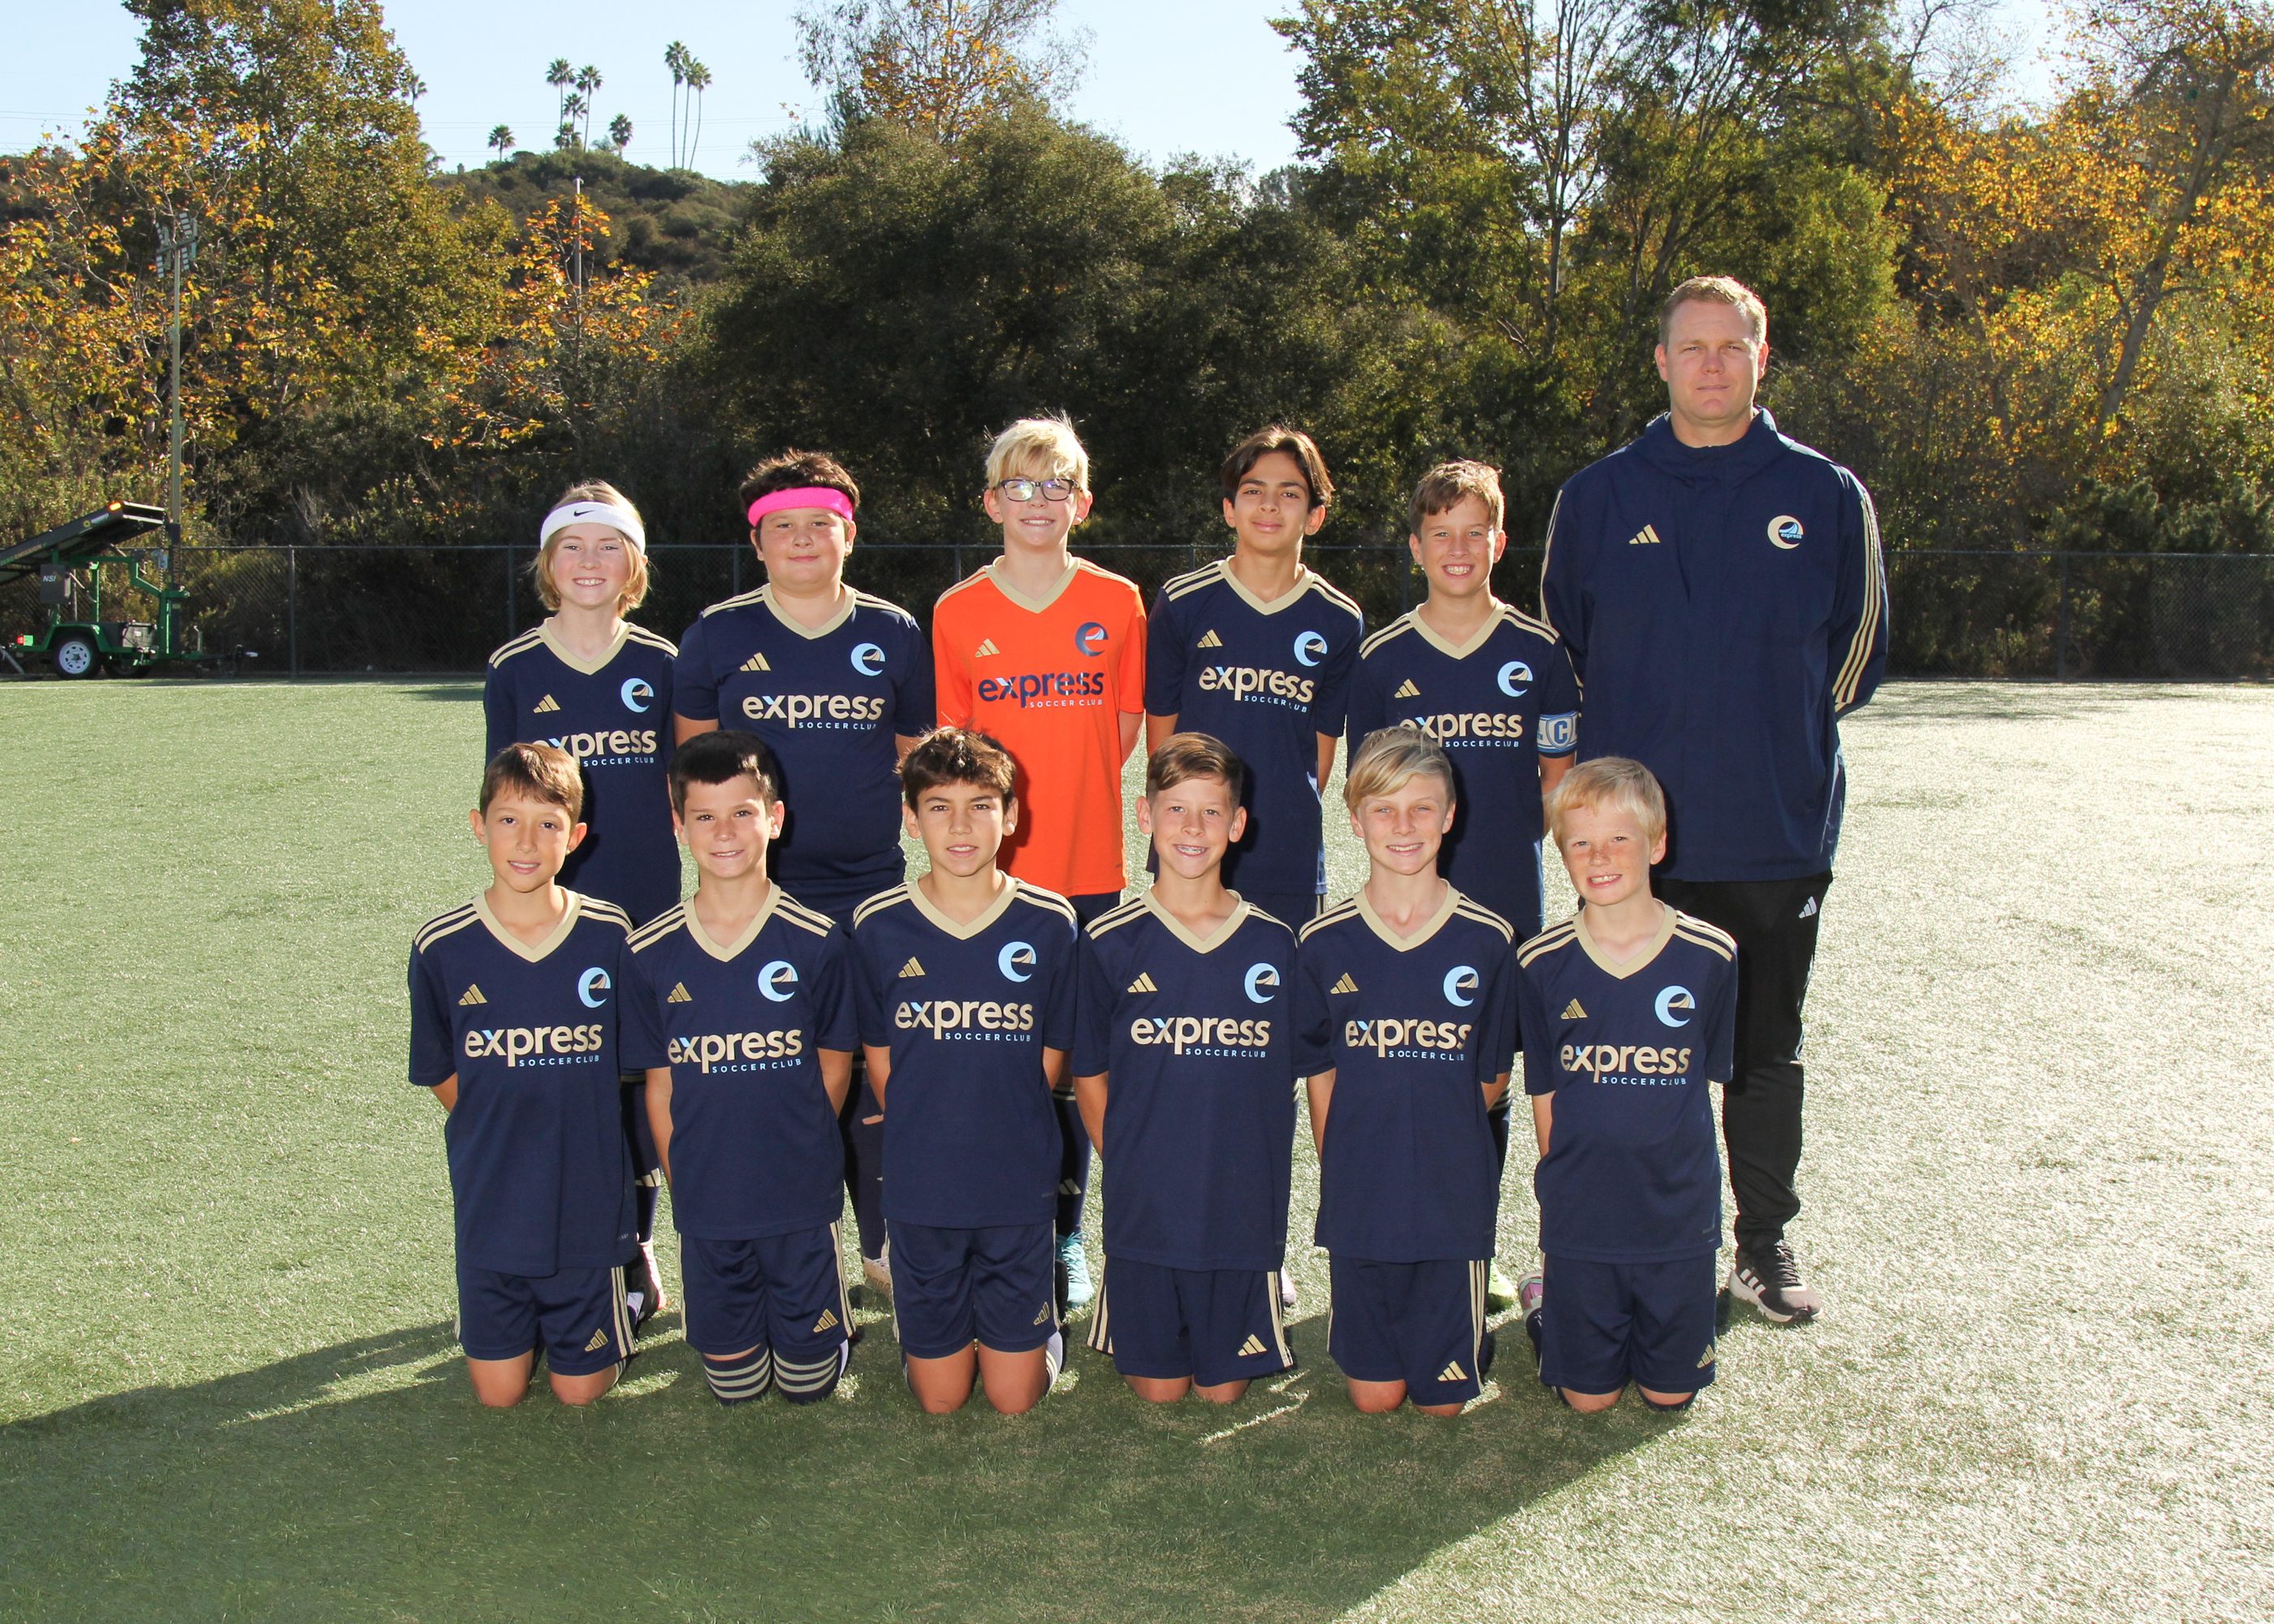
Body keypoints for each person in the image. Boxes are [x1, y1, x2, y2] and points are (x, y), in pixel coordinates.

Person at [1541, 274, 1888, 1323]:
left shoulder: (1826, 494)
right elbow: (1568, 649)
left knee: (1764, 1049)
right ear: (1660, 361)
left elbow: (1855, 657)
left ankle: (1761, 1243)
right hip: (1628, 845)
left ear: (1760, 358)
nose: (1710, 364)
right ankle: (1600, 1240)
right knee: (1613, 1052)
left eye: (1730, 346)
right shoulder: (1598, 496)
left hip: (1773, 832)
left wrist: (1767, 736)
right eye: (1691, 347)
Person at [672, 451, 934, 1302]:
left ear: (848, 534)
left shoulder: (893, 631)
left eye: (820, 523)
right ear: (757, 543)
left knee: (875, 1062)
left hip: (869, 889)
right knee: (778, 1068)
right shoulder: (717, 633)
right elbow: (695, 771)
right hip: (758, 898)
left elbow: (914, 761)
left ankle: (883, 1238)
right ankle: (792, 1231)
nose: (802, 539)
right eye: (781, 525)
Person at [1346, 459, 1580, 1312]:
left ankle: (1472, 1246)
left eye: (1473, 532)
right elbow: (1369, 789)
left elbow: (1559, 782)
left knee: (1491, 1076)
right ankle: (1408, 1241)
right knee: (1416, 1069)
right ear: (1414, 547)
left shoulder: (1539, 651)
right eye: (1439, 533)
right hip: (1406, 911)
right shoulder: (1382, 658)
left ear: (1500, 541)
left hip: (1506, 906)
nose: (1457, 547)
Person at [931, 416, 1145, 1312]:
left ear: (1081, 503)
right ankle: (1000, 1223)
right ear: (991, 502)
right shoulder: (956, 612)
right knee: (1003, 1061)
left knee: (1083, 1063)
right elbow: (952, 756)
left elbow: (1123, 729)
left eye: (1055, 485)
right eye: (1018, 485)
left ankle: (1068, 1233)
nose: (1036, 501)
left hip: (1089, 871)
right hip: (993, 882)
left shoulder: (1118, 602)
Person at [485, 481, 679, 1324]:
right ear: (547, 563)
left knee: (639, 1080)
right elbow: (505, 799)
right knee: (568, 1080)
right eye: (572, 546)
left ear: (633, 564)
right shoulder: (514, 667)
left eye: (608, 546)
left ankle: (635, 1247)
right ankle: (557, 1248)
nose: (589, 561)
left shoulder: (663, 663)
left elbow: (691, 791)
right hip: (551, 913)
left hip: (646, 906)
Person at [620, 731, 858, 1406]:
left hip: (797, 1198)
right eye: (704, 816)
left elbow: (833, 1069)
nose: (723, 832)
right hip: (709, 1202)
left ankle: (822, 1329)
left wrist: (802, 1153)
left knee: (808, 1386)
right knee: (736, 1387)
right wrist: (684, 1178)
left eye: (742, 813)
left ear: (774, 819)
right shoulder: (648, 951)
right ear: (679, 825)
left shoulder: (817, 941)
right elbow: (660, 1086)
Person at [848, 728, 1079, 1415]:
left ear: (1010, 817)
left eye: (980, 806)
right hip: (923, 1191)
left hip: (1016, 1187)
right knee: (941, 1401)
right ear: (911, 818)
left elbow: (1045, 1066)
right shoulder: (878, 925)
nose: (959, 826)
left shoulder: (1049, 923)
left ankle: (1038, 1328)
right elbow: (883, 1066)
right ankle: (940, 1326)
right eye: (939, 807)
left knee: (1014, 1400)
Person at [407, 742, 639, 1408]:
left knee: (578, 1394)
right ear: (479, 826)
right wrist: (498, 1116)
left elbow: (632, 1062)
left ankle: (619, 1298)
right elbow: (441, 1071)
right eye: (509, 820)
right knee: (498, 1395)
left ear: (576, 836)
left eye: (548, 823)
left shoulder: (607, 934)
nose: (527, 842)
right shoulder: (442, 945)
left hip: (585, 1206)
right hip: (495, 1204)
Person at [1294, 729, 1516, 1416]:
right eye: (1384, 810)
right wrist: (1346, 1164)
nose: (1403, 826)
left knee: (1441, 1404)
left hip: (1451, 1203)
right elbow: (1321, 1071)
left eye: (1422, 808)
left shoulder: (1488, 939)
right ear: (1355, 820)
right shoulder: (1323, 942)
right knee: (1375, 1398)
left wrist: (1439, 1145)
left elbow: (1491, 1077)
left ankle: (1473, 1320)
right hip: (1362, 1200)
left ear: (1449, 816)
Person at [1072, 734, 1299, 1404]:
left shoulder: (1275, 944)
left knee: (1221, 1393)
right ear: (1145, 816)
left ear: (1237, 823)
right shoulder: (1109, 941)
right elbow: (1090, 1072)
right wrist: (1126, 1161)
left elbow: (1296, 1075)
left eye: (1210, 812)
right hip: (1148, 1209)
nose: (1192, 828)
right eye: (1175, 809)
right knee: (1160, 1391)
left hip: (1239, 1207)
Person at [1515, 757, 1735, 1412]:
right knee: (1591, 1401)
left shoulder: (1711, 955)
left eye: (1619, 838)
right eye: (1581, 843)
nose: (1600, 856)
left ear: (1657, 843)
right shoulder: (1540, 963)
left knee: (1671, 1396)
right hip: (1583, 1214)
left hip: (1676, 1213)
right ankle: (1547, 1308)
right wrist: (1559, 1193)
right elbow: (1544, 1089)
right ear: (1561, 854)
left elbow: (1706, 1085)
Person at [1146, 426, 1364, 929]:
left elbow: (1320, 753)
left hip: (1287, 854)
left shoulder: (1338, 618)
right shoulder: (1183, 602)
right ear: (1229, 509)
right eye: (1253, 491)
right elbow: (1163, 743)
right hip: (1193, 848)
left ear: (1315, 516)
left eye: (1289, 493)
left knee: (1281, 977)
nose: (1269, 505)